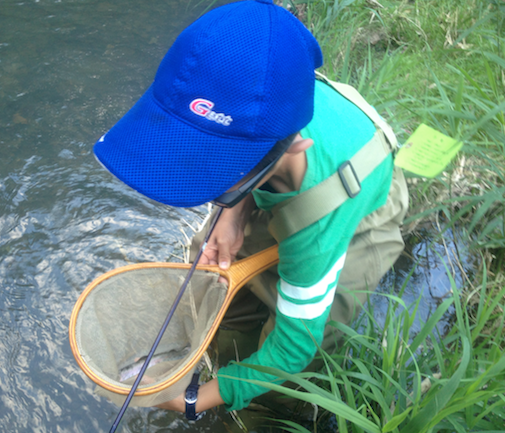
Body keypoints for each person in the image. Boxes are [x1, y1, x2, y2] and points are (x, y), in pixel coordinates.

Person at [93, 0, 408, 420]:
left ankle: (268, 411)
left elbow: (296, 343)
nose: (199, 180)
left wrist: (196, 401)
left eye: (213, 172)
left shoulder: (315, 232)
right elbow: (251, 150)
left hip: (359, 212)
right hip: (284, 173)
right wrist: (232, 213)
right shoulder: (261, 94)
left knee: (302, 352)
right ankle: (229, 356)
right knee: (213, 271)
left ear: (293, 146)